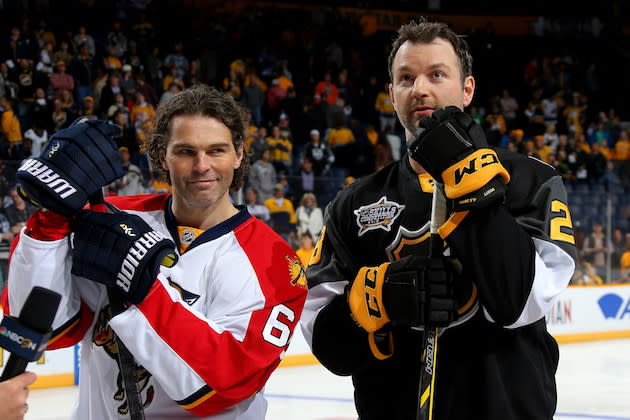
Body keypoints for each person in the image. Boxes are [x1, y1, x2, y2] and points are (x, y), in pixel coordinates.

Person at [300, 18, 577, 420]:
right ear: (392, 94)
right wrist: (373, 301)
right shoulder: (353, 203)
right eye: (406, 78)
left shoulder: (530, 180)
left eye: (437, 74)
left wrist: (472, 189)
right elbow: (330, 347)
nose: (421, 89)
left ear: (467, 90)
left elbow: (519, 302)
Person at [2, 84, 307, 419]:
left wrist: (146, 290)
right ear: (163, 156)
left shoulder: (275, 262)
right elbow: (51, 327)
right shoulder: (113, 220)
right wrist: (50, 221)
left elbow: (221, 387)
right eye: (186, 151)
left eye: (216, 150)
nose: (202, 165)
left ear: (238, 154)